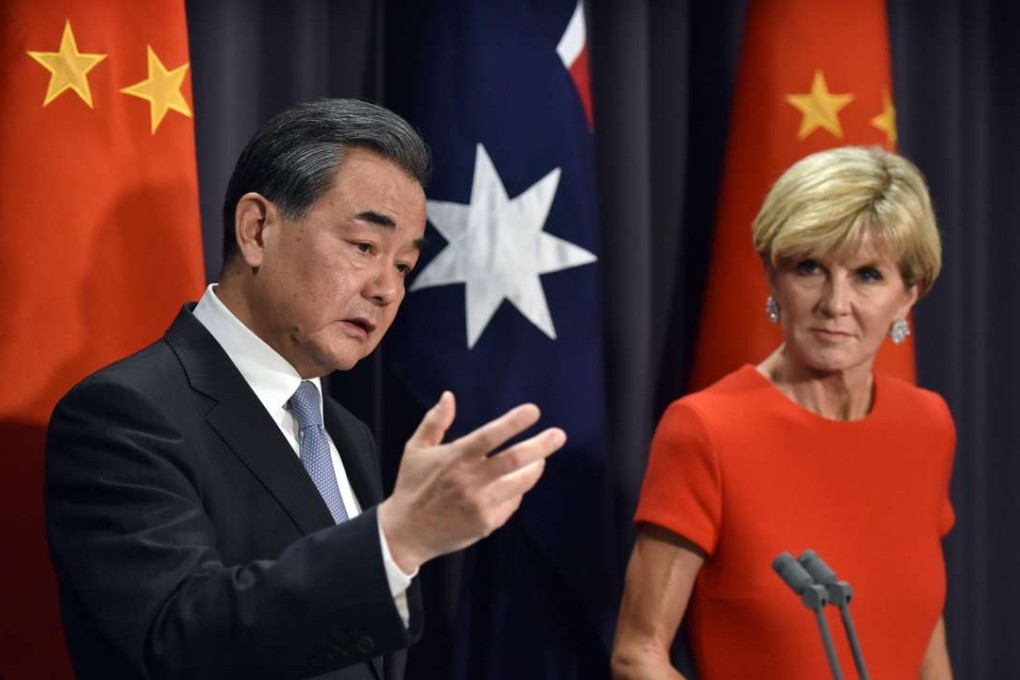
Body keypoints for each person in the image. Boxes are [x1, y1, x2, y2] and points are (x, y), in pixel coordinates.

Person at [44, 98, 566, 680]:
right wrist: (395, 540)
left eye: (403, 266)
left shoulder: (348, 434)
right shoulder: (126, 415)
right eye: (364, 247)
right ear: (257, 230)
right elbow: (173, 639)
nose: (387, 290)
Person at [611, 147, 955, 679]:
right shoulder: (707, 430)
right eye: (810, 268)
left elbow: (924, 638)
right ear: (773, 275)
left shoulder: (927, 425)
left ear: (909, 295)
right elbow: (638, 655)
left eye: (867, 275)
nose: (835, 304)